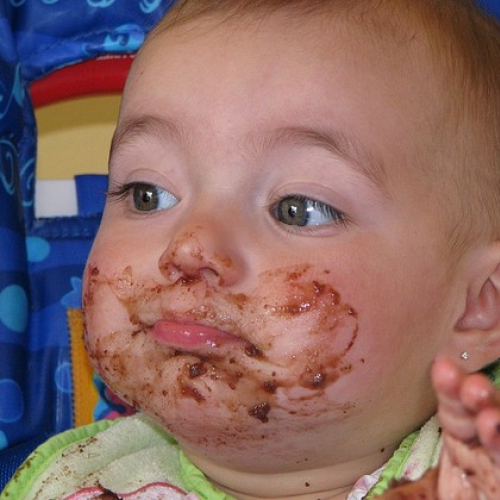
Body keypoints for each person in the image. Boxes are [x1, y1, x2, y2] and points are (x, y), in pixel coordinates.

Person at [4, 0, 500, 498]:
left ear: (479, 307)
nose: (189, 247)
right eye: (147, 194)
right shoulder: (67, 484)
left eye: (298, 209)